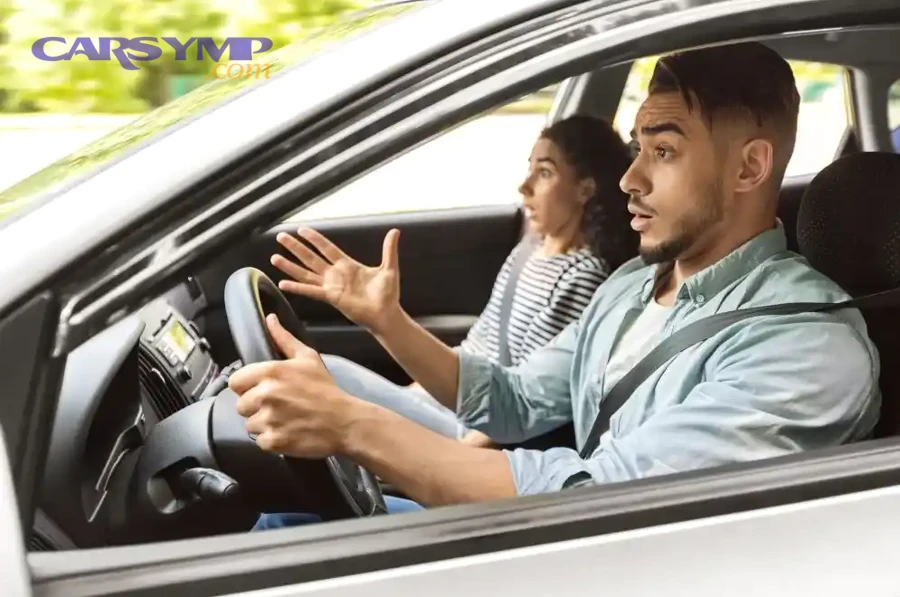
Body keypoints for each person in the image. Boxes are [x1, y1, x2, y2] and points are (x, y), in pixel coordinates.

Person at [230, 42, 881, 527]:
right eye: (637, 148)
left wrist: (354, 426)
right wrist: (387, 321)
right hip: (568, 537)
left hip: (609, 559)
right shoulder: (630, 285)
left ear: (749, 167)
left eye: (663, 151)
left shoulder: (810, 346)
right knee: (287, 520)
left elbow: (601, 500)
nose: (630, 179)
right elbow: (509, 401)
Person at [270, 114, 637, 446]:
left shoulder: (582, 277)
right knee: (325, 375)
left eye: (544, 173)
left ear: (585, 190)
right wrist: (411, 395)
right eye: (530, 169)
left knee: (329, 373)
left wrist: (454, 460)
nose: (524, 186)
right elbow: (476, 347)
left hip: (475, 429)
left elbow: (526, 400)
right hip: (451, 401)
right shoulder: (530, 250)